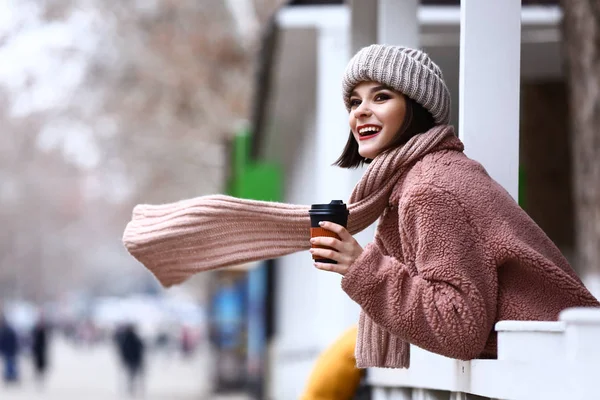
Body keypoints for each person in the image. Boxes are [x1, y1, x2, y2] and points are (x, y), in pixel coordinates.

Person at [122, 44, 599, 370]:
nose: (360, 112)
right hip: (554, 364)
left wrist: (362, 267)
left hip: (562, 369)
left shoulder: (432, 188)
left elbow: (459, 326)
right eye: (354, 100)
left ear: (416, 107)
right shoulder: (413, 182)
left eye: (382, 96)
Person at [116, 324, 145, 397]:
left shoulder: (125, 339)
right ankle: (132, 387)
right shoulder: (134, 338)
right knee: (133, 375)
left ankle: (132, 387)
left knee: (131, 375)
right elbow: (141, 348)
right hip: (134, 360)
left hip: (131, 360)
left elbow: (122, 351)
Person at [0, 314, 19, 384]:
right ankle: (11, 377)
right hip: (10, 350)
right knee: (10, 364)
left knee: (10, 364)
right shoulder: (7, 330)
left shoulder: (5, 330)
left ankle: (11, 377)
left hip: (9, 350)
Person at [31, 316, 50, 387]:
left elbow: (45, 342)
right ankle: (38, 376)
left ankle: (41, 377)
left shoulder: (42, 332)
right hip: (37, 351)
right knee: (37, 366)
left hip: (41, 352)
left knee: (41, 366)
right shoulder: (35, 331)